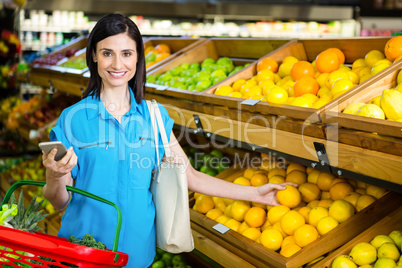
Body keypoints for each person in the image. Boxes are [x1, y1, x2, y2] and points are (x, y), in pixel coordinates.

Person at [41, 13, 291, 268]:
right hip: (83, 251)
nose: (117, 63)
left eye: (127, 53)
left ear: (138, 57)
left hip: (136, 254)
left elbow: (190, 176)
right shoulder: (73, 119)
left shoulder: (154, 116)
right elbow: (59, 201)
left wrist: (255, 193)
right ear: (93, 55)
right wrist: (54, 176)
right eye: (107, 53)